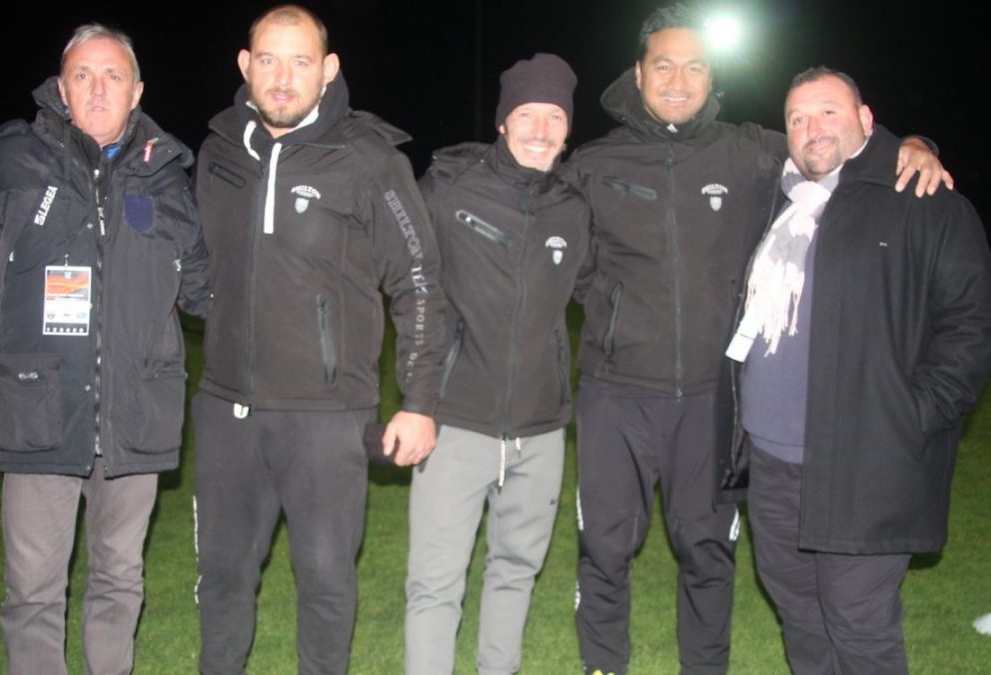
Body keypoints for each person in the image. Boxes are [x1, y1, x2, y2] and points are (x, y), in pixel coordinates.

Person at [569, 5, 950, 674]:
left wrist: (914, 144)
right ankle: (603, 663)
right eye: (665, 66)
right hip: (616, 391)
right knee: (604, 544)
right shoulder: (595, 163)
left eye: (695, 67)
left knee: (708, 552)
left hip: (714, 402)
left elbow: (835, 147)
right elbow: (563, 262)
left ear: (711, 76)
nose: (680, 80)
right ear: (639, 73)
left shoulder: (748, 150)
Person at [0, 23, 209, 674]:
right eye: (83, 75)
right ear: (60, 88)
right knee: (32, 593)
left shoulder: (166, 175)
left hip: (138, 412)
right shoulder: (9, 165)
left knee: (118, 582)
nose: (98, 88)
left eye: (113, 75)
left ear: (137, 90)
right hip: (40, 411)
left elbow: (204, 286)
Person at [191, 5, 445, 674]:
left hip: (328, 420)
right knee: (220, 580)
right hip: (226, 412)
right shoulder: (217, 151)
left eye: (300, 61)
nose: (283, 76)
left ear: (328, 71)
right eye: (268, 60)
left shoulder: (369, 158)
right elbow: (195, 265)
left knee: (327, 584)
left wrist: (418, 398)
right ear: (245, 66)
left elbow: (417, 278)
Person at [727, 66, 991, 675]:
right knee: (800, 614)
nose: (811, 128)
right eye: (797, 118)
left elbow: (969, 329)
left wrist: (907, 416)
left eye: (828, 112)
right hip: (772, 465)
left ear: (867, 120)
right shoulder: (778, 201)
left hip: (867, 463)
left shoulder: (922, 202)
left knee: (858, 625)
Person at [404, 53, 590, 675]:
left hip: (541, 428)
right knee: (435, 583)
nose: (540, 129)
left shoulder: (574, 206)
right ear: (503, 122)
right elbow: (402, 280)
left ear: (569, 127)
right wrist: (417, 400)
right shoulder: (449, 188)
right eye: (527, 114)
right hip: (456, 421)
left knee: (515, 573)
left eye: (555, 116)